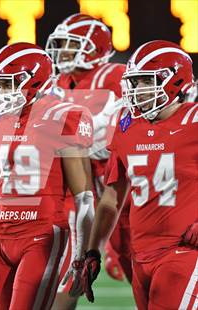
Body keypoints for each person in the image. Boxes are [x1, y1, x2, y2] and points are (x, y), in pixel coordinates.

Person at [0, 42, 95, 309]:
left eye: (6, 84)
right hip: (4, 237)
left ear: (32, 82)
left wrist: (81, 257)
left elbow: (84, 197)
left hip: (43, 236)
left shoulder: (61, 117)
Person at [82, 40, 198, 310]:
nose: (138, 90)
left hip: (183, 251)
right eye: (135, 83)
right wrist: (93, 249)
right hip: (141, 254)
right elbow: (111, 197)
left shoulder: (194, 121)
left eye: (146, 81)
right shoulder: (126, 125)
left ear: (176, 80)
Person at [45, 13, 132, 308]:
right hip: (76, 191)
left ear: (94, 48)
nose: (63, 51)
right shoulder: (57, 81)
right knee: (69, 277)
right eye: (62, 44)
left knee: (139, 264)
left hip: (120, 188)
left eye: (70, 44)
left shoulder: (115, 76)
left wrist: (109, 137)